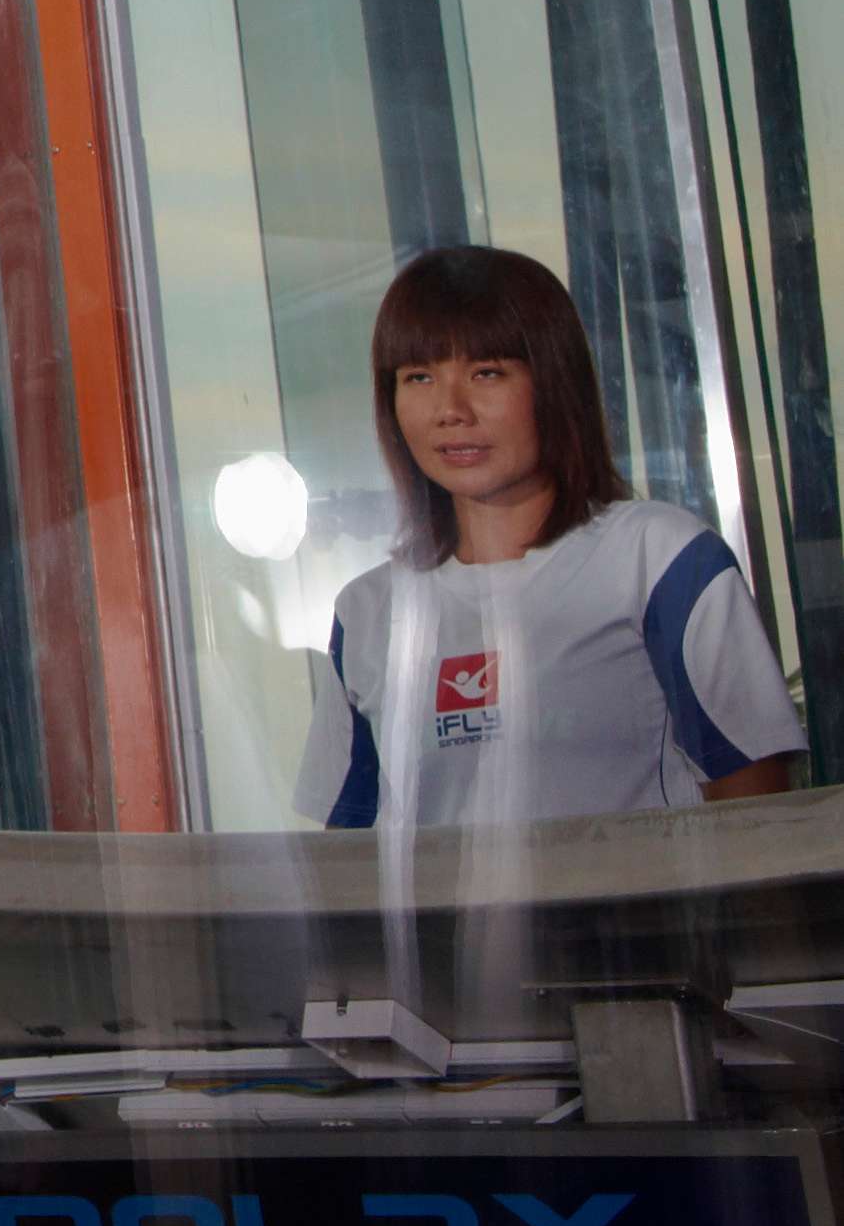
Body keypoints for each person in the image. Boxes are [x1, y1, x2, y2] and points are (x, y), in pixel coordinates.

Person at [296, 241, 798, 829]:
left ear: (555, 383)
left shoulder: (658, 558)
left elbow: (758, 821)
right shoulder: (367, 610)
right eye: (419, 377)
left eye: (486, 372)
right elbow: (346, 858)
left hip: (643, 895)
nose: (450, 410)